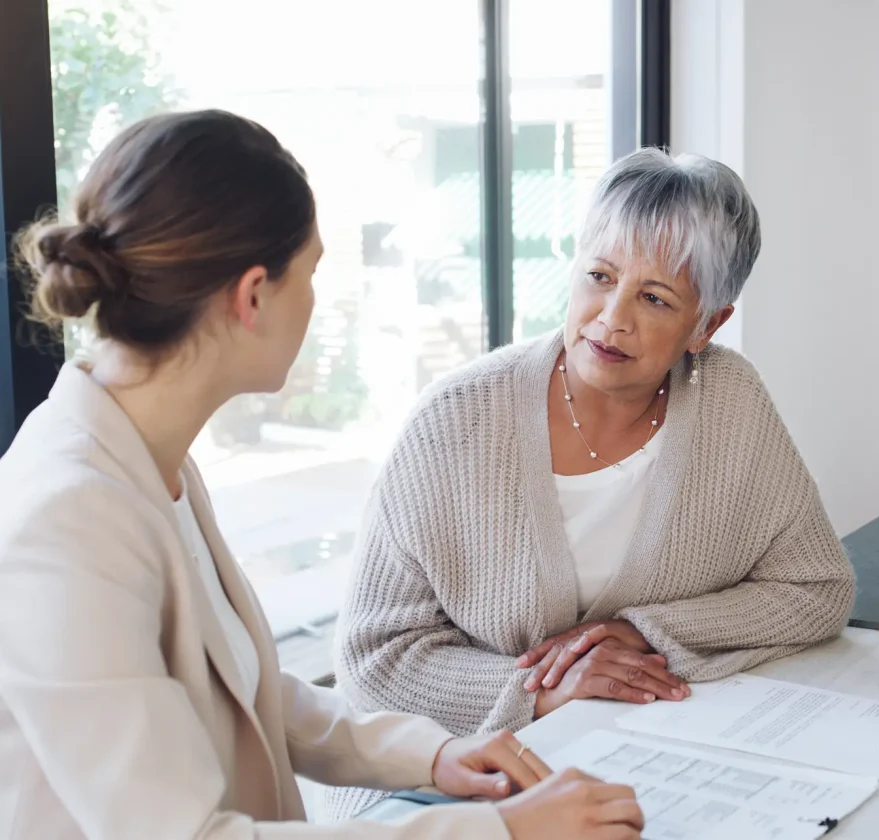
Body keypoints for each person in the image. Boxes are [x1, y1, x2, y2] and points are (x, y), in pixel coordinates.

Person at [0, 110, 643, 840]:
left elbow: (247, 689)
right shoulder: (67, 519)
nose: (314, 298)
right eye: (310, 272)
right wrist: (505, 831)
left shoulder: (148, 454)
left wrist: (435, 756)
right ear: (251, 296)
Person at [328, 148, 856, 820]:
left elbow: (816, 588)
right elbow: (371, 663)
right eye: (599, 276)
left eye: (655, 297)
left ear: (707, 324)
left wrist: (644, 631)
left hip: (640, 763)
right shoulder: (455, 420)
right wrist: (543, 692)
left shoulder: (732, 402)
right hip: (439, 787)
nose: (612, 317)